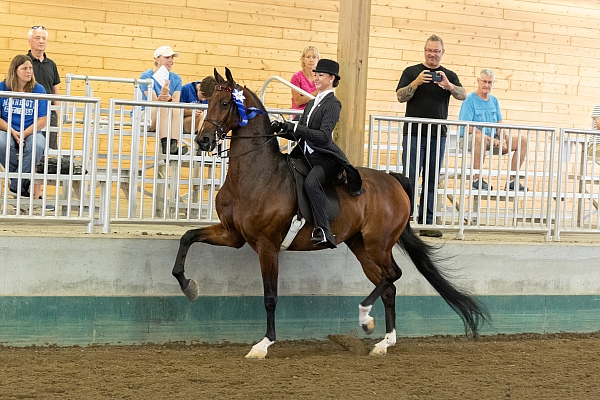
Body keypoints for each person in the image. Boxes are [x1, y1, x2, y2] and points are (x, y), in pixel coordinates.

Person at [273, 59, 364, 249]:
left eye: (320, 75)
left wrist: (296, 127)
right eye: (315, 74)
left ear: (331, 78)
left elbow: (323, 136)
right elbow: (302, 133)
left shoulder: (333, 104)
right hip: (307, 156)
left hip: (326, 159)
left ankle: (324, 230)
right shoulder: (312, 103)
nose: (315, 78)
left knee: (312, 182)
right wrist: (283, 129)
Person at [396, 34, 466, 238]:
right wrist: (416, 82)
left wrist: (449, 86)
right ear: (424, 51)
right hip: (414, 134)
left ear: (442, 53)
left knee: (431, 179)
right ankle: (405, 222)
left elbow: (463, 95)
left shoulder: (448, 75)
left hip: (438, 136)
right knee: (409, 179)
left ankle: (427, 221)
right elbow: (401, 96)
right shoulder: (411, 71)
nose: (432, 54)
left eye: (436, 51)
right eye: (429, 50)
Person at [459, 68, 528, 191]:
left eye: (490, 82)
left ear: (493, 83)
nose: (486, 85)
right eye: (484, 81)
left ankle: (513, 181)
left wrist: (504, 139)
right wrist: (490, 139)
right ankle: (477, 179)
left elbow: (499, 125)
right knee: (480, 138)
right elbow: (468, 127)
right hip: (471, 139)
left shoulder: (494, 100)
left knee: (522, 140)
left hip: (492, 141)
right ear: (478, 81)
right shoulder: (469, 100)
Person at [0, 54, 48, 197]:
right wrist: (13, 132)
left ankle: (16, 185)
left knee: (38, 144)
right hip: (7, 130)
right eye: (24, 68)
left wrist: (24, 134)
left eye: (30, 68)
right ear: (15, 70)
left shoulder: (38, 89)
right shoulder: (2, 87)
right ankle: (20, 182)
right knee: (1, 142)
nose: (29, 71)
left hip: (31, 131)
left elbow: (43, 120)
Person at [139, 45, 187, 155]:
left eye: (172, 58)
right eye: (167, 57)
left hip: (165, 115)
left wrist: (166, 97)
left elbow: (176, 101)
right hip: (145, 115)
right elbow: (152, 101)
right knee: (165, 106)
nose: (171, 61)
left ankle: (172, 145)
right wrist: (164, 95)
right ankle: (167, 146)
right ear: (157, 59)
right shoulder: (146, 76)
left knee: (176, 109)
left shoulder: (176, 78)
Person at [27, 26, 60, 150]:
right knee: (31, 146)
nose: (41, 41)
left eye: (44, 38)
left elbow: (54, 89)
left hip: (49, 113)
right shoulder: (23, 62)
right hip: (29, 111)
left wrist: (56, 112)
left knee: (50, 149)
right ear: (29, 41)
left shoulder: (51, 64)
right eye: (37, 38)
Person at [290, 46, 320, 111]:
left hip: (316, 113)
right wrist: (314, 94)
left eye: (314, 57)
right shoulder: (297, 77)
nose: (311, 60)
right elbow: (297, 101)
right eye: (308, 57)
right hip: (300, 114)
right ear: (303, 59)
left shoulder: (321, 77)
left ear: (318, 59)